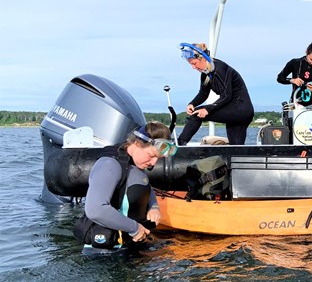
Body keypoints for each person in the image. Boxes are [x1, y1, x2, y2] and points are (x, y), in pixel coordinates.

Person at [79, 122, 176, 251]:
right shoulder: (109, 164)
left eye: (157, 159)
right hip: (105, 253)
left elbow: (143, 184)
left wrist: (153, 206)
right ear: (137, 144)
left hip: (131, 245)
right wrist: (134, 228)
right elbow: (95, 209)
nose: (153, 163)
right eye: (152, 156)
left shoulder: (134, 164)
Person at [177, 43, 254, 145]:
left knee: (197, 114)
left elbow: (227, 95)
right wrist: (192, 104)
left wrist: (207, 109)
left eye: (194, 63)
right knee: (235, 148)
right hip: (234, 110)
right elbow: (203, 94)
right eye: (191, 64)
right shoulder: (206, 73)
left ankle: (179, 145)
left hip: (240, 109)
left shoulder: (221, 69)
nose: (193, 67)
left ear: (203, 58)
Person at [277, 40, 312, 107]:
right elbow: (280, 78)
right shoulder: (294, 63)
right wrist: (292, 80)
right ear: (307, 52)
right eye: (311, 59)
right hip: (295, 103)